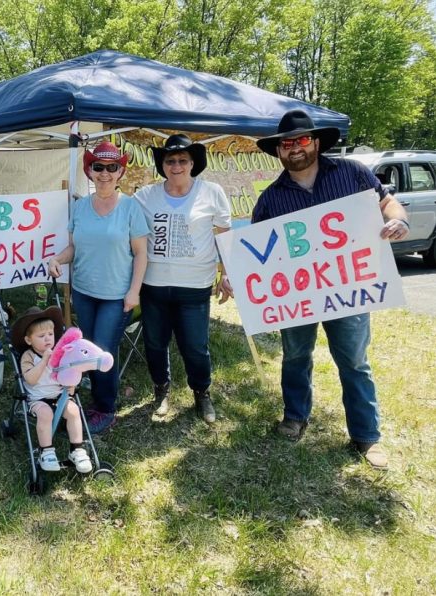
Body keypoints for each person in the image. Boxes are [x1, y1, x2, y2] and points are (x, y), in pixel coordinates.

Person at [252, 109, 410, 470]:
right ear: (278, 151)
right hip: (298, 297)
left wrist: (397, 219)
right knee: (294, 357)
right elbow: (255, 252)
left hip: (347, 290)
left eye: (302, 140)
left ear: (317, 142)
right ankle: (295, 416)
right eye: (287, 143)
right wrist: (236, 275)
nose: (294, 148)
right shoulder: (272, 198)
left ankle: (367, 436)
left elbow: (387, 202)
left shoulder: (352, 173)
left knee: (354, 361)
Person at [48, 141, 150, 433]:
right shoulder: (79, 207)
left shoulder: (131, 207)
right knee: (86, 346)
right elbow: (73, 248)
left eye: (111, 167)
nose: (104, 173)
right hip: (84, 291)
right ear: (89, 171)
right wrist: (57, 258)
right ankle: (91, 395)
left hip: (116, 296)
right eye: (98, 167)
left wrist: (134, 291)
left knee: (103, 349)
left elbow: (141, 253)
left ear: (120, 172)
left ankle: (105, 408)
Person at [133, 134, 232, 423]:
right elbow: (127, 229)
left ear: (192, 164)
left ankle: (202, 393)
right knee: (154, 342)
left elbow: (224, 235)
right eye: (170, 161)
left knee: (195, 346)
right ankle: (161, 391)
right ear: (162, 165)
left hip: (195, 285)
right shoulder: (145, 196)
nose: (176, 166)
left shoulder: (211, 192)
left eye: (182, 160)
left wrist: (227, 273)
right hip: (153, 284)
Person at [12, 306, 93, 473]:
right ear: (29, 340)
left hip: (59, 395)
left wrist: (71, 385)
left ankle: (77, 449)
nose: (47, 339)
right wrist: (44, 361)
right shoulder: (28, 356)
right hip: (37, 399)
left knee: (74, 411)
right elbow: (31, 379)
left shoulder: (61, 354)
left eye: (51, 334)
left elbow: (69, 373)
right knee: (45, 414)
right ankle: (46, 451)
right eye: (41, 336)